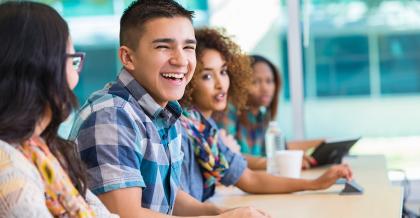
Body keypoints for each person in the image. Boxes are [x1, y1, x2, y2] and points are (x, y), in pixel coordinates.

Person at [69, 1, 268, 217]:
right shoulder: (112, 116)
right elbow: (126, 215)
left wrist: (218, 212)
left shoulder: (166, 113)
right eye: (163, 47)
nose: (181, 60)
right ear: (128, 57)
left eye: (188, 48)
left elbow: (168, 198)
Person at [179, 27, 353, 202]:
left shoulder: (205, 130)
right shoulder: (184, 127)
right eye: (207, 76)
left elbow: (250, 179)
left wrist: (315, 184)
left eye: (223, 72)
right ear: (188, 79)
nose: (220, 84)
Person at [0, 1, 116, 217]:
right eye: (72, 61)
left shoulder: (48, 150)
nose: (75, 78)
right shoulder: (8, 163)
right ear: (41, 68)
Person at [214, 54, 324, 170]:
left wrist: (321, 144)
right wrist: (276, 163)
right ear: (240, 85)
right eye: (255, 82)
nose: (265, 88)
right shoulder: (227, 111)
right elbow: (227, 156)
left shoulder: (262, 116)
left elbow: (282, 149)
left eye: (269, 81)